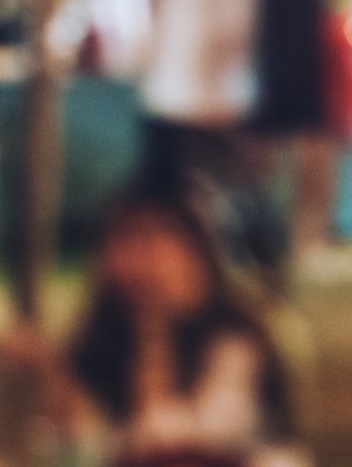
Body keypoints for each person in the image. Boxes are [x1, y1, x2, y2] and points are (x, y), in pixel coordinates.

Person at [53, 190, 301, 466]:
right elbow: (83, 443)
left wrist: (153, 346)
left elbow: (191, 432)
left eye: (150, 245)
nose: (137, 264)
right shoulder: (106, 337)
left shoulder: (235, 338)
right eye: (124, 244)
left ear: (196, 256)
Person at [141, 0, 276, 277]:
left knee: (231, 193)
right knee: (178, 197)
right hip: (174, 101)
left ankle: (256, 258)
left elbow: (234, 38)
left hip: (214, 103)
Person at [248, 0, 336, 286]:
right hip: (279, 70)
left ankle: (302, 240)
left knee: (305, 159)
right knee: (282, 164)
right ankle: (277, 239)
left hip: (287, 69)